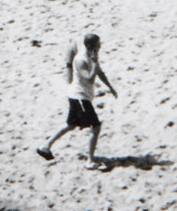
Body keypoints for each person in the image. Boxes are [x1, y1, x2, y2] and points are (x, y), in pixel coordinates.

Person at [36, 33, 118, 168]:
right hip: (80, 98)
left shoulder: (91, 57)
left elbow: (100, 73)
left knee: (70, 125)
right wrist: (95, 64)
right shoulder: (80, 60)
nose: (100, 45)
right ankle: (90, 160)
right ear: (92, 46)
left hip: (79, 97)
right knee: (96, 127)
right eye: (98, 44)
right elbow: (89, 79)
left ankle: (46, 146)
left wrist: (110, 87)